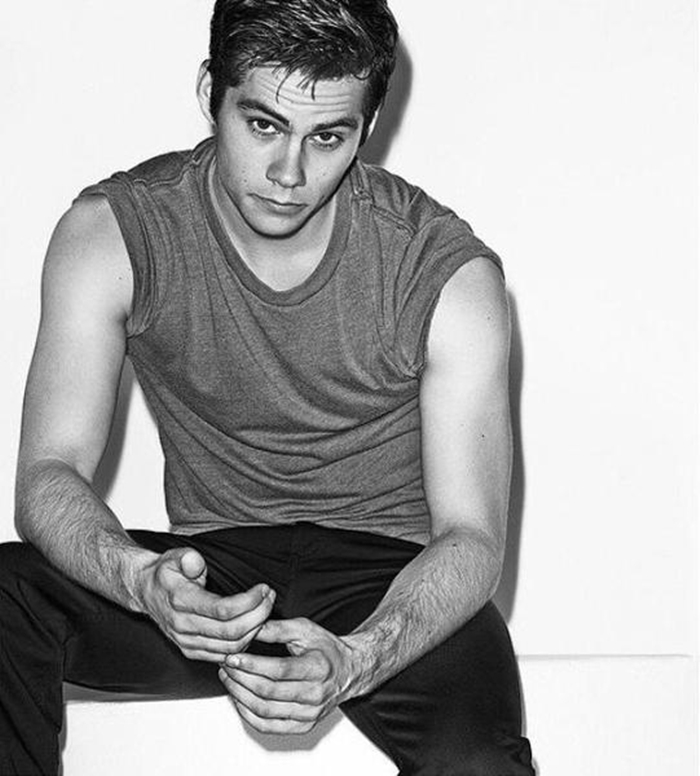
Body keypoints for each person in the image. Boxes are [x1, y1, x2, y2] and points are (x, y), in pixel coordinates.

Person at [0, 1, 535, 773]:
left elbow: (473, 538)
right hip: (214, 575)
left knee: (479, 761)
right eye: (263, 125)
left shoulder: (447, 275)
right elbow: (48, 472)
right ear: (209, 92)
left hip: (390, 578)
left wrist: (362, 655)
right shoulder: (114, 236)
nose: (289, 174)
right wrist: (139, 580)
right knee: (6, 594)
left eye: (328, 137)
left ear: (369, 124)